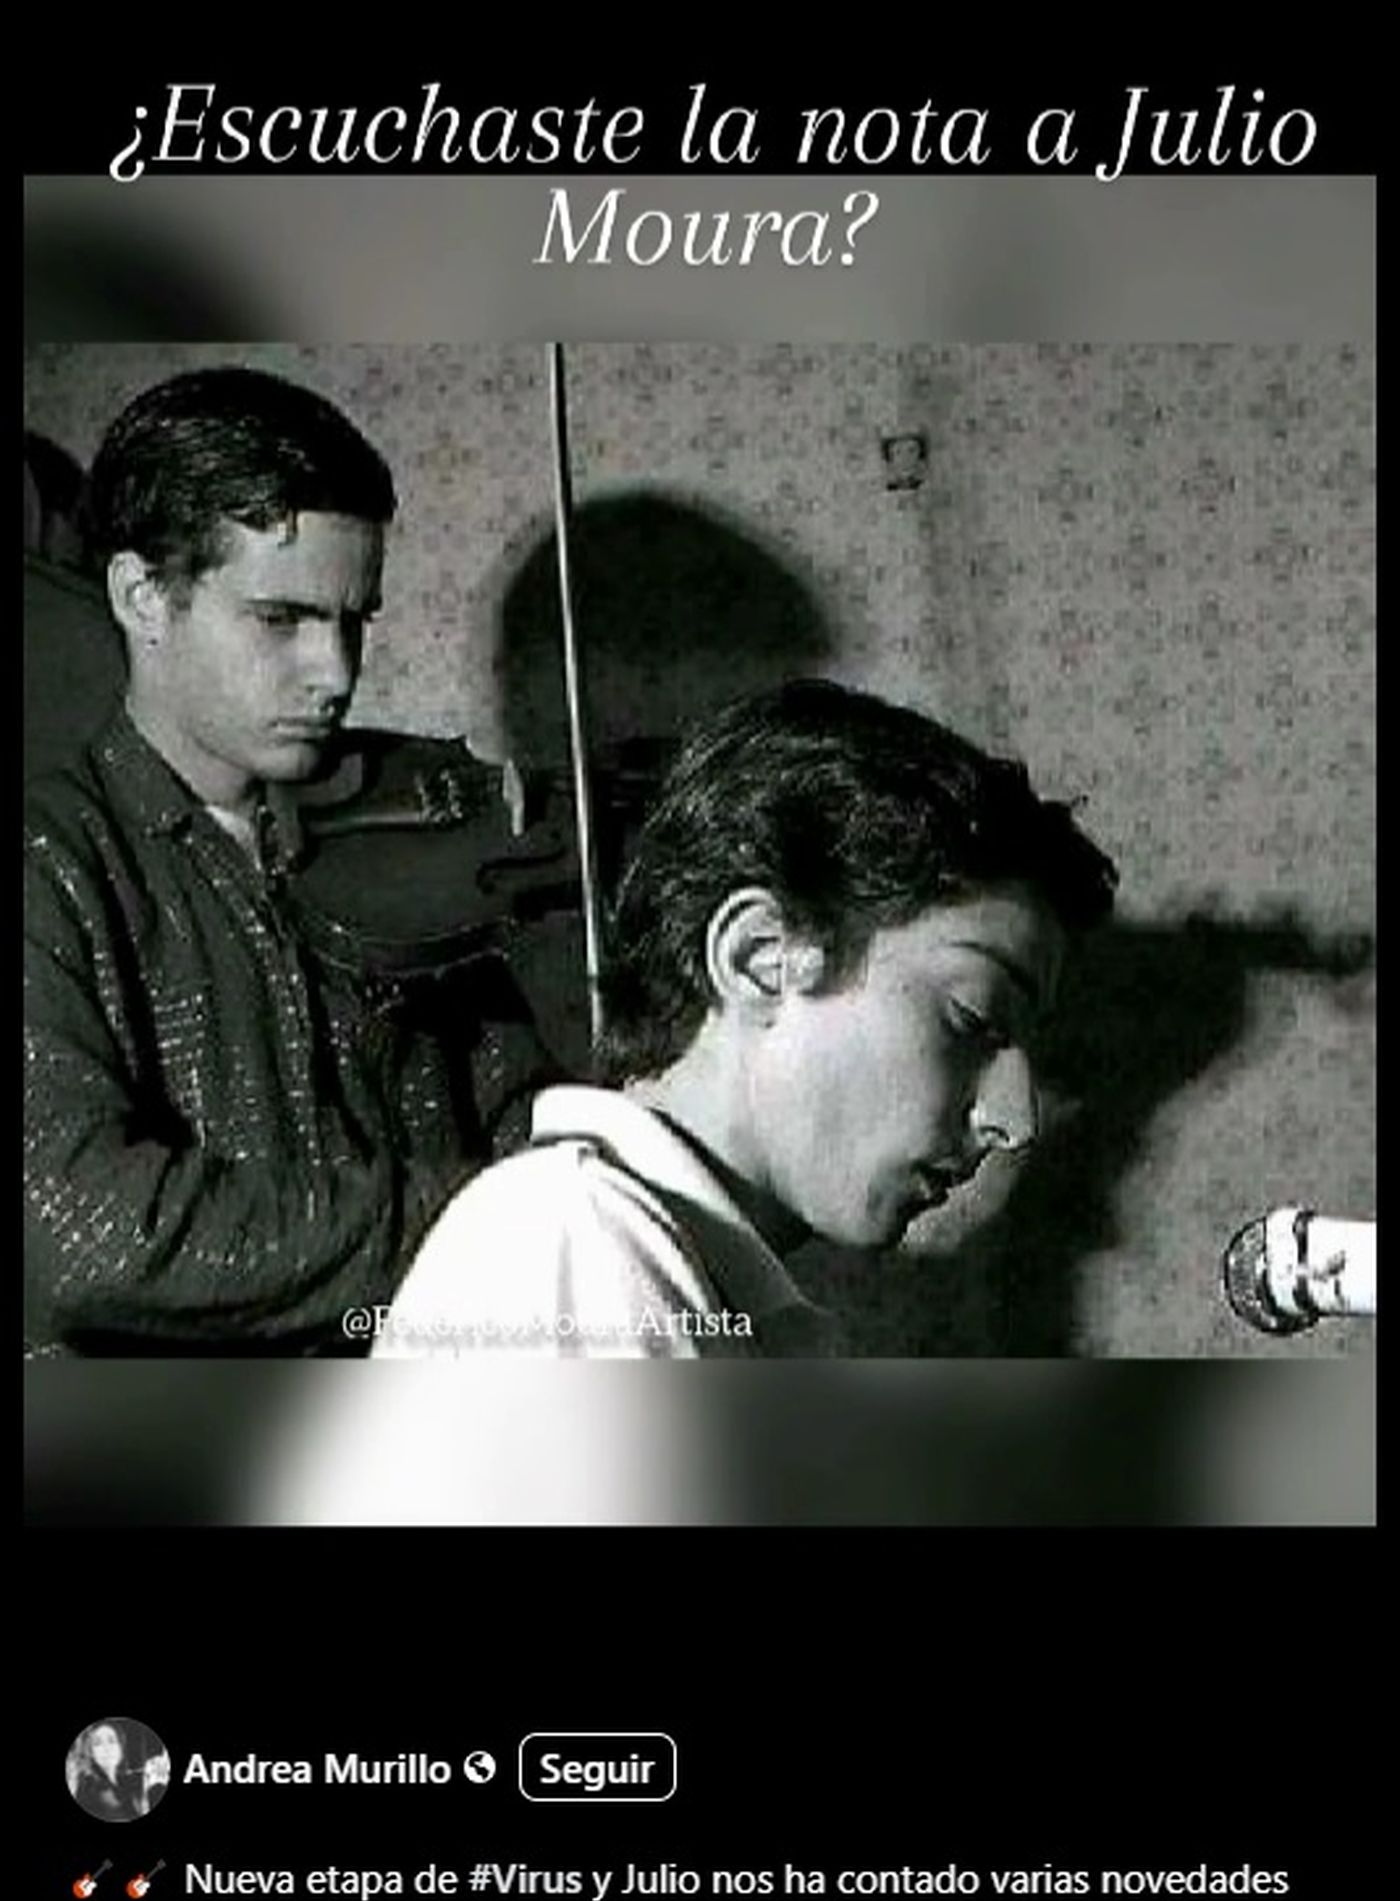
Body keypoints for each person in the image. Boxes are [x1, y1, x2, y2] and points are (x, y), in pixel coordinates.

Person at [372, 679, 1118, 1360]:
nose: (1016, 1120)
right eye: (975, 1017)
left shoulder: (697, 1284)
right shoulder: (569, 1240)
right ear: (759, 957)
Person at [24, 366, 508, 1354]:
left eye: (354, 619)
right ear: (143, 596)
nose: (336, 673)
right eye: (281, 619)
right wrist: (486, 1214)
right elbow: (92, 1235)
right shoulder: (50, 863)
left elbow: (509, 1099)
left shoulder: (421, 838)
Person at [66, 1719, 170, 1823]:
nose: (106, 1748)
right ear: (92, 1753)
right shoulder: (90, 1789)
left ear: (120, 1747)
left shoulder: (128, 1780)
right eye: (97, 1743)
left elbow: (146, 1775)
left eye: (112, 1741)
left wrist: (155, 1772)